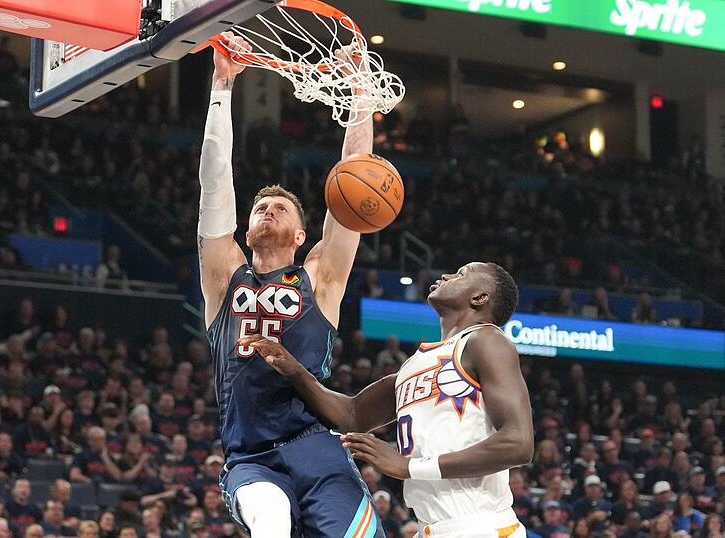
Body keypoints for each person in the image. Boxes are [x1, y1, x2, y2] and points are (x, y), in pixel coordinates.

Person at [196, 32, 384, 537]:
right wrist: (222, 87)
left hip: (316, 445)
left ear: (302, 235)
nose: (267, 207)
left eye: (281, 207)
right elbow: (214, 184)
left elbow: (355, 183)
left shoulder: (320, 276)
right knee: (273, 524)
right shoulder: (224, 275)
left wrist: (360, 90)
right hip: (250, 456)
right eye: (259, 206)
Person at [245, 261, 533, 537]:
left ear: (480, 297)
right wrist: (295, 371)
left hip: (480, 526)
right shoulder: (415, 364)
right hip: (430, 527)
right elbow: (353, 414)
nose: (446, 276)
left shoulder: (486, 340)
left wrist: (409, 467)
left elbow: (518, 443)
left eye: (461, 274)